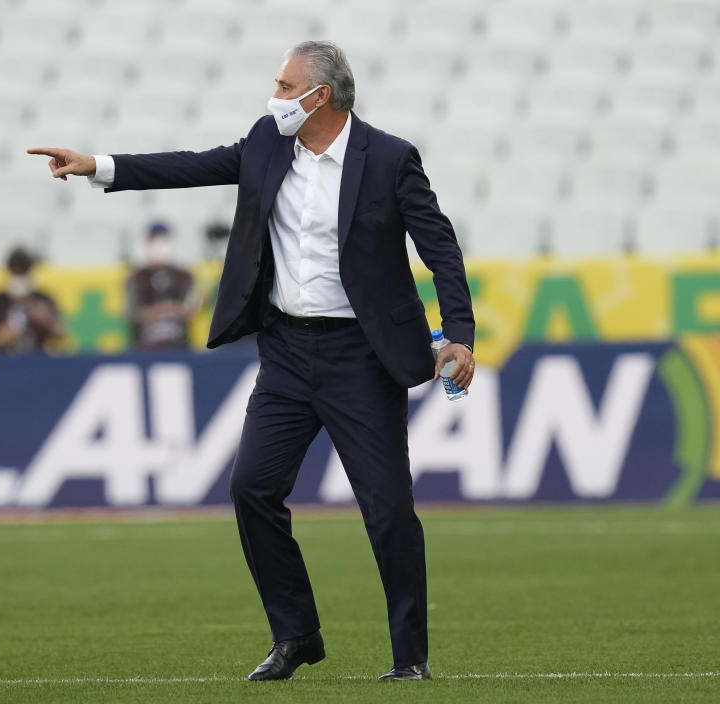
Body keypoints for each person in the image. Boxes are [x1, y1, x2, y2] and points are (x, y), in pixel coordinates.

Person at [28, 40, 475, 683]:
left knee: (385, 508)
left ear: (320, 97)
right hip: (287, 351)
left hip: (361, 355)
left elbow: (441, 249)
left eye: (286, 86)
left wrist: (457, 333)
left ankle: (410, 658)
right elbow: (194, 165)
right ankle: (295, 635)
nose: (276, 96)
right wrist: (95, 164)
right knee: (252, 489)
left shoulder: (390, 159)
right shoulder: (268, 140)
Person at [126, 221, 200, 350]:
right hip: (145, 347)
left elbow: (190, 310)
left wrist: (156, 311)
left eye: (163, 241)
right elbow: (133, 314)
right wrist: (170, 309)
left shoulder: (184, 276)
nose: (159, 246)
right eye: (154, 241)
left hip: (179, 344)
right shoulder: (137, 278)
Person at [0, 247, 65, 355]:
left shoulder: (43, 299)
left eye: (23, 272)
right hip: (4, 362)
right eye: (16, 272)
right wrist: (4, 335)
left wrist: (47, 321)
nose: (19, 277)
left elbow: (62, 334)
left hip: (37, 361)